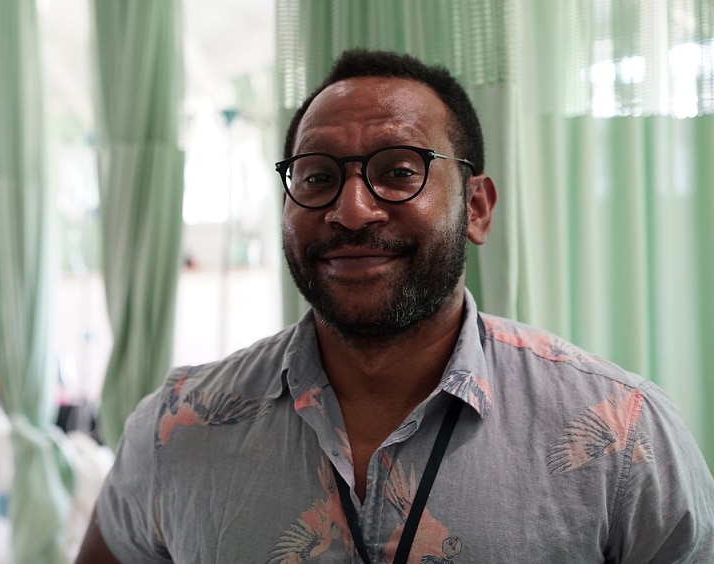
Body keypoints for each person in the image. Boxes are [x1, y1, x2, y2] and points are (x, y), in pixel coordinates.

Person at [76, 49, 714, 563]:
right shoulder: (179, 429)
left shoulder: (623, 435)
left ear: (478, 207)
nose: (352, 210)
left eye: (400, 169)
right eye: (318, 175)